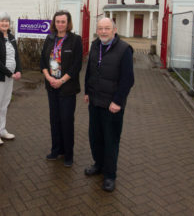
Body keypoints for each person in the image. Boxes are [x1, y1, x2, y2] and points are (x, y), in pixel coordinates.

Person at [84, 17, 134, 192]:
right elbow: (90, 70)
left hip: (112, 105)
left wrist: (118, 101)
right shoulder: (95, 45)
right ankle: (98, 165)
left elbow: (128, 79)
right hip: (95, 100)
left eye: (106, 28)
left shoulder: (124, 49)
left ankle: (110, 175)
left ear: (114, 30)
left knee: (110, 140)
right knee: (95, 136)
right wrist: (86, 91)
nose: (103, 31)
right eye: (100, 28)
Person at [40, 10, 83, 167]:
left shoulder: (75, 40)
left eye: (63, 22)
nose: (60, 24)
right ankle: (56, 149)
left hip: (67, 88)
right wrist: (49, 78)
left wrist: (61, 81)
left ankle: (68, 154)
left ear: (68, 23)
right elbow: (42, 62)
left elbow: (76, 65)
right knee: (54, 119)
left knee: (66, 121)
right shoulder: (49, 38)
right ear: (54, 23)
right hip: (51, 86)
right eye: (57, 21)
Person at [0, 12, 22, 145]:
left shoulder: (12, 37)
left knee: (5, 103)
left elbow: (16, 56)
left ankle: (2, 130)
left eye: (7, 21)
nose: (4, 23)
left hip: (10, 76)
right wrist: (9, 73)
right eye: (2, 21)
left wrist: (18, 70)